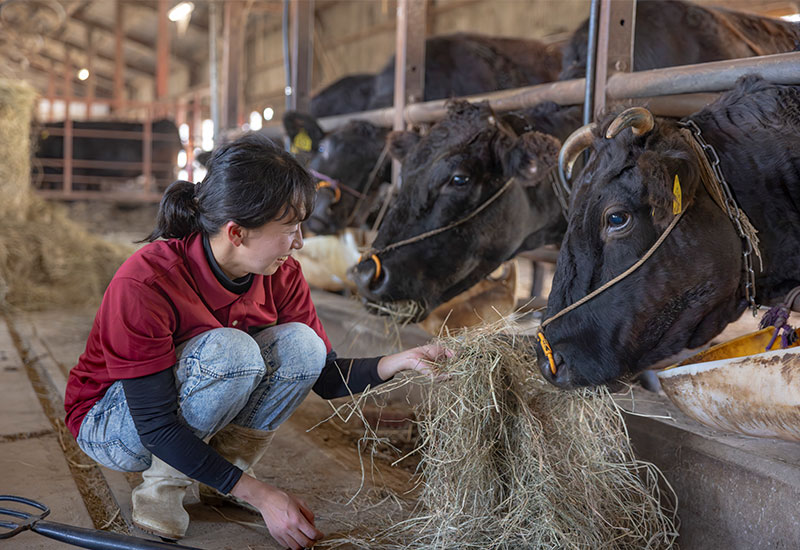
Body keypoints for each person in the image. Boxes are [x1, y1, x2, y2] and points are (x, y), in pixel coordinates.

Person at [63, 132, 449, 549]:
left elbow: (323, 374)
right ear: (236, 233)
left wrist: (400, 361)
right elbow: (155, 426)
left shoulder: (281, 272)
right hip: (114, 426)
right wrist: (264, 497)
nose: (300, 243)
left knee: (304, 345)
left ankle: (226, 476)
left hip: (167, 421)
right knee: (233, 353)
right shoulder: (147, 280)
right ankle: (161, 489)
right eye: (290, 229)